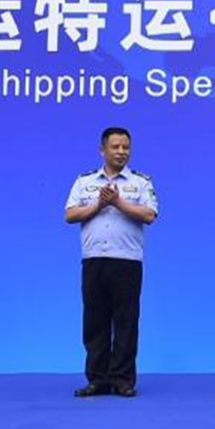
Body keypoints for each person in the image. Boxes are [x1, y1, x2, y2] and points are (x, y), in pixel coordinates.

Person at [64, 127, 159, 398]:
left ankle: (122, 380)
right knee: (95, 322)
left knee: (126, 322)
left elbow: (149, 215)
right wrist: (97, 205)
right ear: (102, 150)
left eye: (126, 147)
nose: (121, 152)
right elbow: (69, 215)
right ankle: (97, 379)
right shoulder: (84, 181)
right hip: (94, 260)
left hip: (127, 261)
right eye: (115, 147)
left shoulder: (140, 182)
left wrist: (118, 202)